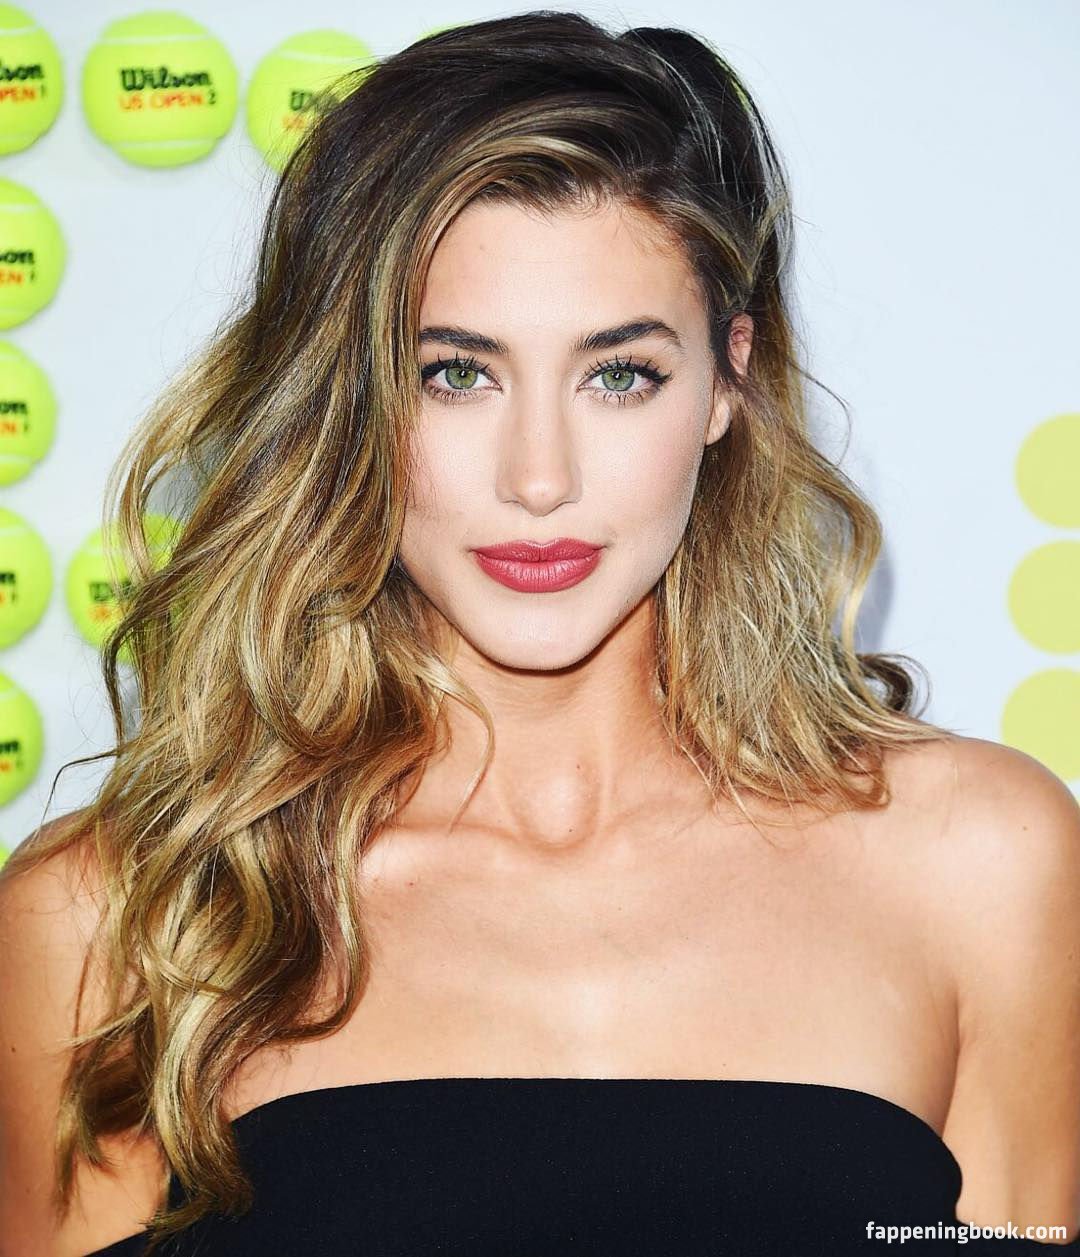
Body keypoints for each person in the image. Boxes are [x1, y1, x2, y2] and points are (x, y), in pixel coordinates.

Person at [1, 11, 1078, 1256]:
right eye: (456, 373)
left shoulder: (977, 863)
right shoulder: (126, 921)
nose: (540, 479)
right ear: (350, 397)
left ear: (727, 380)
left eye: (618, 375)